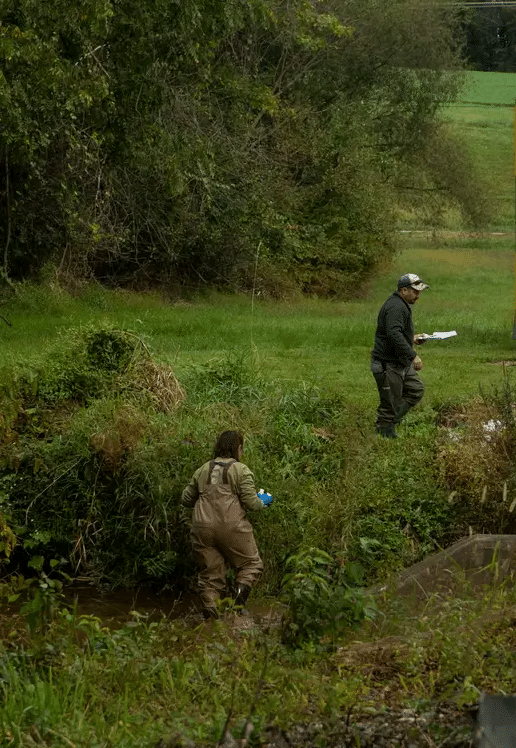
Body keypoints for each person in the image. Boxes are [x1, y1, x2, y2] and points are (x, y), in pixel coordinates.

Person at [181, 430, 268, 619]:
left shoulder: (202, 469)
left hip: (202, 527)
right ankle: (237, 607)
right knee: (251, 564)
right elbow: (253, 503)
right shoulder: (241, 470)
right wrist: (265, 499)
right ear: (239, 448)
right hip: (232, 526)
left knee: (210, 576)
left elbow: (186, 499)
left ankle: (211, 620)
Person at [370, 273, 429, 438]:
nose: (418, 296)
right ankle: (384, 434)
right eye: (415, 292)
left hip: (399, 362)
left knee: (415, 390)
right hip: (387, 364)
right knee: (390, 402)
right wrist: (413, 355)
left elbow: (395, 333)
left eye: (419, 292)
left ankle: (389, 423)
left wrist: (412, 339)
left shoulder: (401, 305)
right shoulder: (396, 307)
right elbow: (393, 334)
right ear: (404, 290)